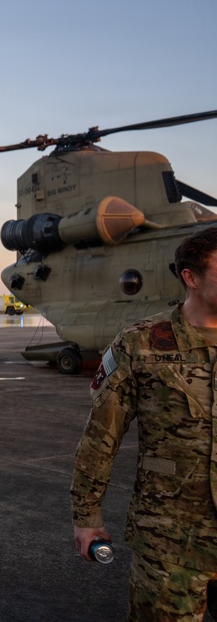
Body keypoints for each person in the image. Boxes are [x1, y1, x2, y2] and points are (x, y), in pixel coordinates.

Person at [71, 225, 217, 621]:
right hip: (170, 541)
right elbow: (101, 437)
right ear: (191, 278)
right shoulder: (141, 343)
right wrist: (87, 517)